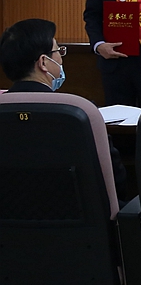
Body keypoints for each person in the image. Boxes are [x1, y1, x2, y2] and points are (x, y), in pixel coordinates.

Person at [0, 18, 127, 200]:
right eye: (58, 51)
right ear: (43, 62)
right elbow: (115, 179)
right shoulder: (80, 113)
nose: (61, 57)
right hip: (78, 216)